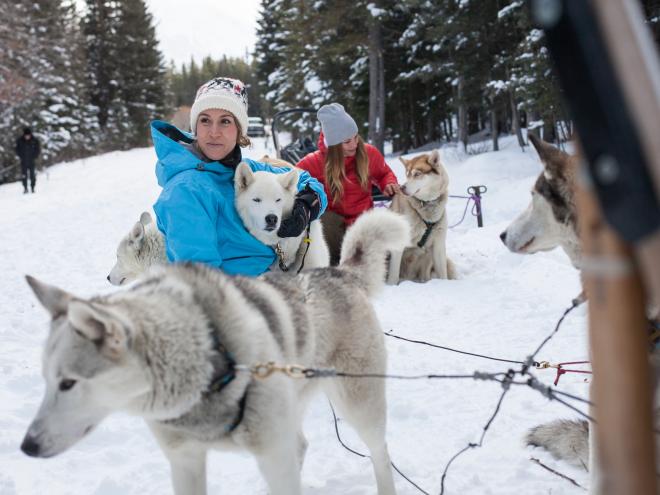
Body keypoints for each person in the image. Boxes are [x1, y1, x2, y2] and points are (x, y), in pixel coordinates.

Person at [152, 77, 327, 276]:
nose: (214, 132)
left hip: (274, 280)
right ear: (196, 128)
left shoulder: (246, 170)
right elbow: (201, 281)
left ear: (239, 131)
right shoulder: (186, 191)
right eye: (205, 120)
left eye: (225, 121)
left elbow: (308, 182)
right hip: (241, 295)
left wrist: (305, 205)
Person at [295, 103, 400, 265]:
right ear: (334, 145)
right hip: (334, 228)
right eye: (347, 141)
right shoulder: (314, 162)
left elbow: (384, 173)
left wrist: (389, 183)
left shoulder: (368, 153)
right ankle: (332, 260)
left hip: (363, 223)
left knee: (385, 258)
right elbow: (291, 180)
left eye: (356, 137)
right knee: (323, 219)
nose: (354, 144)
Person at [15, 127, 40, 194]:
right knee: (24, 175)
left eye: (28, 135)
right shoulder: (20, 140)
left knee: (32, 175)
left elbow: (38, 149)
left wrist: (35, 156)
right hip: (23, 161)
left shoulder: (34, 140)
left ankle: (32, 188)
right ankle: (25, 188)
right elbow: (17, 149)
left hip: (31, 161)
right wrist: (20, 156)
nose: (27, 137)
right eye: (26, 135)